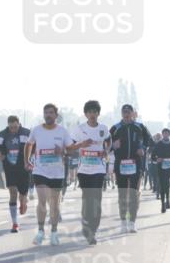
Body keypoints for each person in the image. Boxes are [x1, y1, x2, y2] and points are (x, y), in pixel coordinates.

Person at [24, 104, 77, 246]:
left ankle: (54, 232)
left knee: (54, 204)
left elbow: (71, 150)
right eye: (46, 112)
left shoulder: (63, 131)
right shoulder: (36, 130)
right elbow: (28, 144)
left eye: (51, 113)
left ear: (56, 115)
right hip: (40, 171)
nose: (48, 115)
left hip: (57, 173)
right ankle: (40, 232)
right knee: (41, 201)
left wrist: (63, 152)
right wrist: (27, 160)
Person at [110, 104, 154, 232]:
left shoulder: (140, 127)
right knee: (122, 194)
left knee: (134, 194)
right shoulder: (115, 128)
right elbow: (105, 144)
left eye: (128, 111)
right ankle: (123, 221)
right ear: (121, 113)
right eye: (124, 111)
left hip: (136, 163)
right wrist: (113, 145)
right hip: (121, 164)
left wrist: (143, 148)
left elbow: (149, 141)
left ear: (133, 113)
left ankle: (132, 222)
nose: (126, 114)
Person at [71, 100, 110, 245]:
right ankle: (86, 222)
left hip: (99, 169)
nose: (92, 114)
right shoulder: (79, 129)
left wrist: (106, 150)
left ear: (98, 113)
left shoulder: (103, 128)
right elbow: (70, 147)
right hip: (84, 170)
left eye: (95, 112)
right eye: (89, 112)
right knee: (87, 199)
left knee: (97, 199)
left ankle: (92, 231)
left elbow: (108, 141)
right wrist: (82, 144)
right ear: (85, 114)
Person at [0, 115, 31, 233]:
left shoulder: (26, 132)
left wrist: (30, 161)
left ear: (19, 124)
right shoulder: (2, 134)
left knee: (23, 193)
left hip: (23, 167)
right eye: (11, 127)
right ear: (8, 125)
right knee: (12, 192)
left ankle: (24, 201)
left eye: (15, 127)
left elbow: (32, 147)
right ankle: (15, 223)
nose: (13, 129)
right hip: (9, 167)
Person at [151, 128, 170, 213]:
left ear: (169, 135)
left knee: (167, 184)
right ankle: (163, 204)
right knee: (162, 184)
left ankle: (168, 200)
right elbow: (153, 156)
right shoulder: (158, 144)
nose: (165, 135)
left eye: (167, 133)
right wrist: (157, 159)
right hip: (161, 166)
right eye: (164, 133)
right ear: (162, 134)